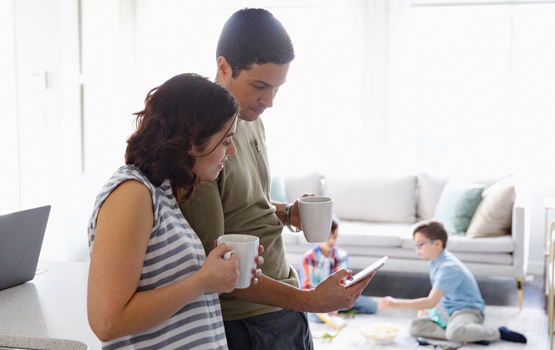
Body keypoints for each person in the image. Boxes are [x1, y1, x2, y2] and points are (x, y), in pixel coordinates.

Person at [179, 8, 374, 350]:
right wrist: (312, 301)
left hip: (283, 303)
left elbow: (243, 203)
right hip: (248, 321)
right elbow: (220, 268)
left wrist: (286, 213)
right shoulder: (202, 137)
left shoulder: (250, 117)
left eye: (277, 87)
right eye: (260, 85)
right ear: (223, 67)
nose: (269, 100)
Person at [87, 73, 263, 350]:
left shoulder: (163, 193)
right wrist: (203, 281)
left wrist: (218, 276)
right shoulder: (132, 193)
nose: (233, 150)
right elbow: (107, 322)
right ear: (192, 140)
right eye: (226, 139)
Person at [378, 220, 527, 345]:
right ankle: (470, 334)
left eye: (421, 244)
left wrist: (396, 304)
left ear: (437, 243)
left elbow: (430, 301)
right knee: (414, 326)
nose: (417, 248)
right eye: (416, 244)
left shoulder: (448, 267)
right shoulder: (435, 261)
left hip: (467, 310)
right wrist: (432, 311)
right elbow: (438, 298)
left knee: (454, 332)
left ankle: (496, 333)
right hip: (448, 310)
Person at [301, 216, 378, 323]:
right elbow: (307, 288)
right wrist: (325, 304)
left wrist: (336, 305)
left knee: (372, 306)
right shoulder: (309, 257)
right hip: (317, 298)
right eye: (328, 237)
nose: (331, 241)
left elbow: (343, 284)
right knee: (316, 317)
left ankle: (336, 310)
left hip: (336, 296)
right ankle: (335, 311)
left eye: (335, 237)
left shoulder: (342, 255)